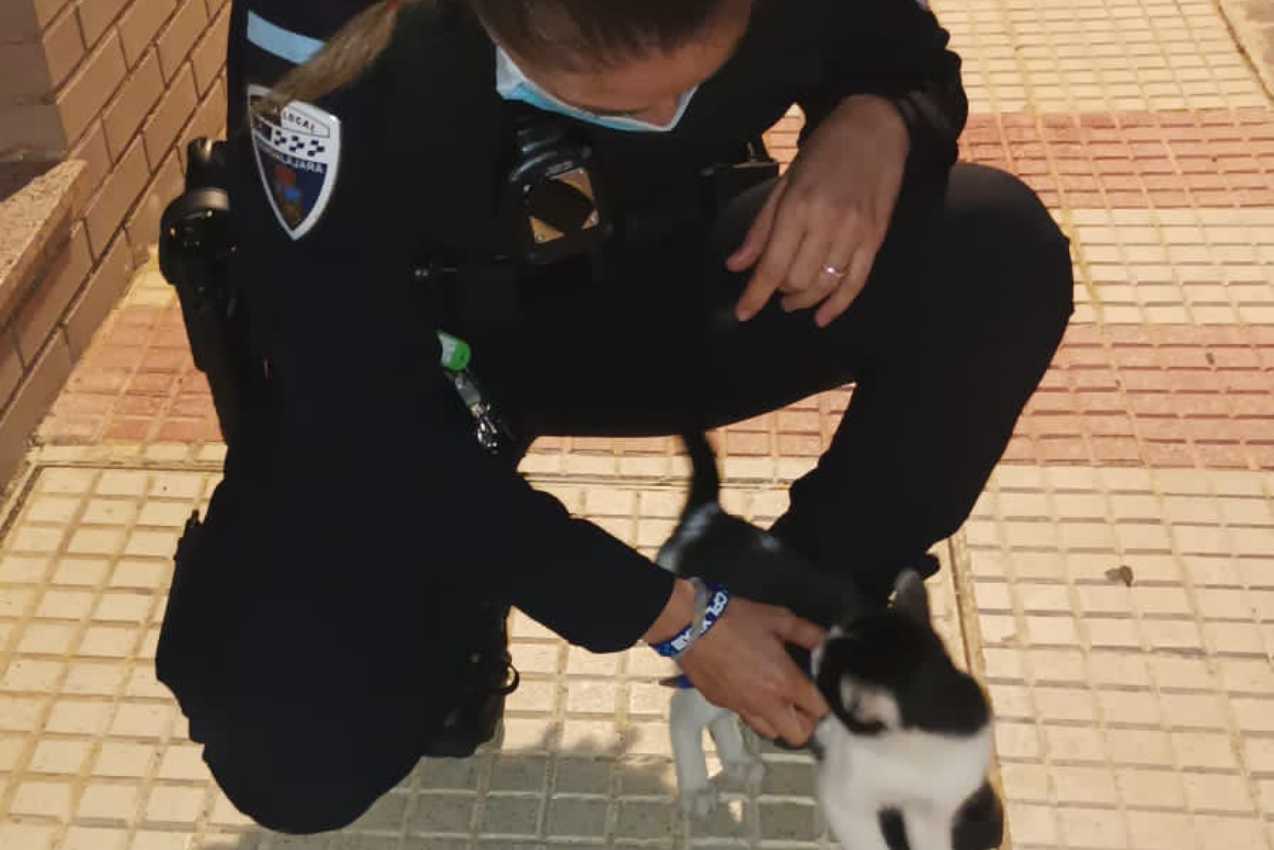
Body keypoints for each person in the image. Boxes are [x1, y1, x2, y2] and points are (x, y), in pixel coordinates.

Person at [156, 0, 1073, 836]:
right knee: (296, 754)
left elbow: (905, 55)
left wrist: (877, 122)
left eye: (698, 86)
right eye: (614, 105)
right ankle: (461, 581)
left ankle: (810, 614)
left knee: (995, 254)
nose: (664, 125)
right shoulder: (323, 28)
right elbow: (351, 402)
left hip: (660, 282)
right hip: (423, 352)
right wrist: (669, 614)